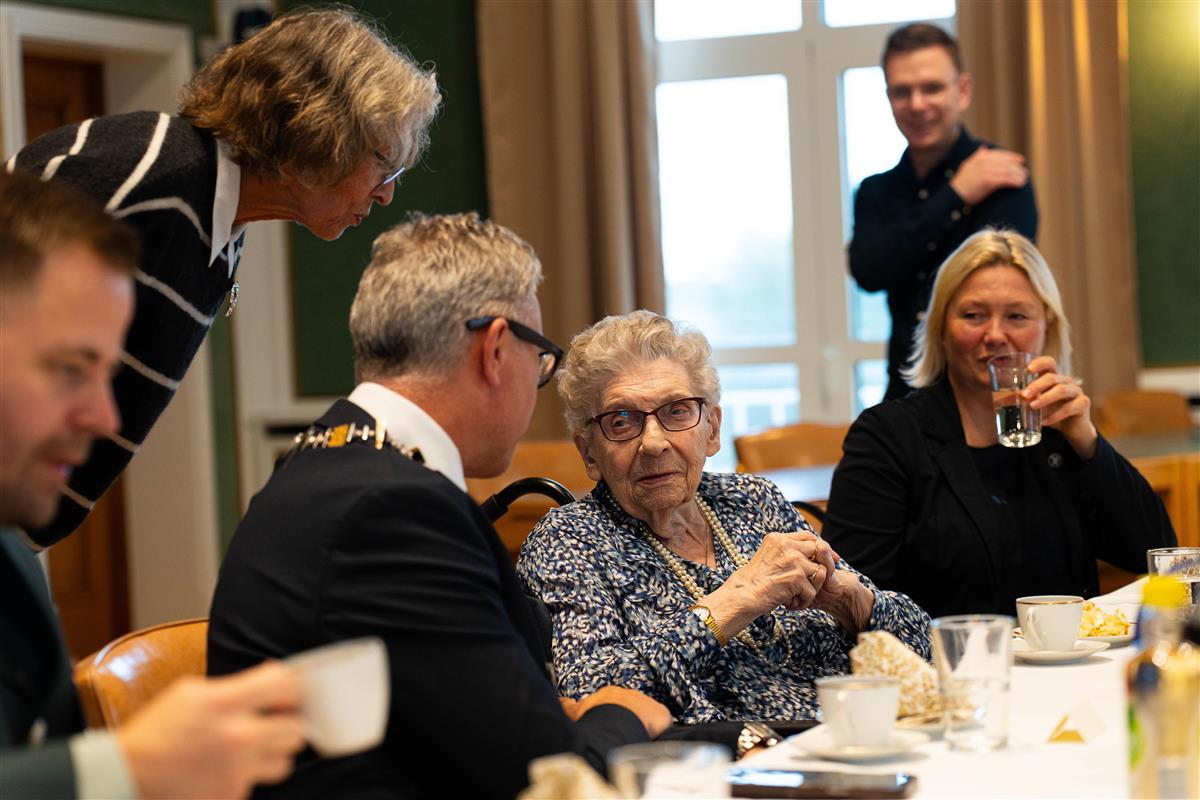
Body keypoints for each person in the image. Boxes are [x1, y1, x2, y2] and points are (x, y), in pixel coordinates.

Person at [206, 214, 671, 798]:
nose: (537, 385)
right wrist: (623, 716)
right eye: (541, 361)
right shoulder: (391, 512)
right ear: (497, 349)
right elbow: (542, 778)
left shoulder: (332, 457)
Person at [7, 6, 440, 547]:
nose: (386, 193)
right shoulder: (142, 172)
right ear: (317, 127)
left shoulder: (222, 228)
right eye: (384, 163)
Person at [0, 170, 306, 799]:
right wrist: (128, 769)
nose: (107, 419)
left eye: (107, 375)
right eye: (69, 368)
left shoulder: (14, 556)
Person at [516, 310, 930, 736]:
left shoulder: (754, 501)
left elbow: (925, 649)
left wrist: (853, 602)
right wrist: (736, 600)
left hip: (865, 735)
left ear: (711, 429)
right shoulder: (569, 541)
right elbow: (590, 698)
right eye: (622, 421)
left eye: (677, 412)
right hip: (732, 770)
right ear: (589, 452)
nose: (654, 442)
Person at [823, 229, 1176, 619]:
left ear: (1047, 329)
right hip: (946, 669)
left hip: (1067, 666)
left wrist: (1087, 442)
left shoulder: (1059, 433)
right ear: (941, 328)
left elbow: (1155, 553)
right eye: (973, 316)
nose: (995, 335)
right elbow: (847, 593)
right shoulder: (888, 436)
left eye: (1017, 316)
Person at [849, 23, 1038, 402]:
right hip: (905, 390)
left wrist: (908, 243)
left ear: (963, 90)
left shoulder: (1002, 175)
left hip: (987, 392)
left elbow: (988, 284)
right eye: (902, 92)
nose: (917, 104)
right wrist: (956, 195)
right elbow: (869, 271)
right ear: (888, 97)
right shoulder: (875, 190)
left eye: (932, 87)